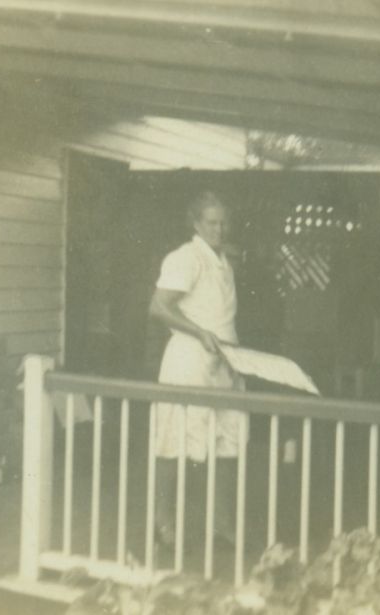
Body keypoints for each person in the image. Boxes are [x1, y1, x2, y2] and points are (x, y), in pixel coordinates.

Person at [148, 191, 246, 550]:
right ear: (196, 223)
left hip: (223, 364)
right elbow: (158, 307)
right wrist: (199, 333)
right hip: (188, 362)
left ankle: (222, 525)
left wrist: (233, 355)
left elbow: (220, 317)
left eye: (223, 222)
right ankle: (162, 524)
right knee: (174, 442)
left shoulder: (224, 263)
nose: (219, 229)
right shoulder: (185, 258)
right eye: (211, 222)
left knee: (225, 443)